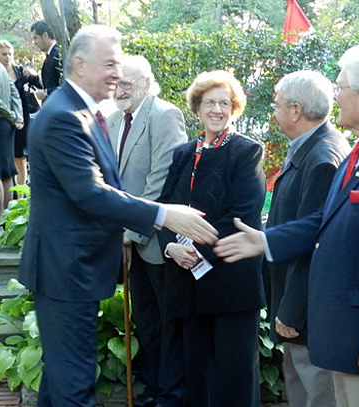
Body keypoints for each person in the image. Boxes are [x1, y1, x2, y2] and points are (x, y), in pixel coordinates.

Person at [215, 42, 359, 407]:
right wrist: (267, 241)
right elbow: (327, 221)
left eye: (340, 87)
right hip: (353, 348)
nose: (334, 95)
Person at [18, 25, 218, 407]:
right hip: (66, 273)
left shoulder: (85, 112)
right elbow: (89, 192)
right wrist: (163, 214)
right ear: (78, 63)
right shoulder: (64, 116)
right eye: (109, 63)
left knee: (60, 384)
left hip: (75, 271)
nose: (116, 73)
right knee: (74, 388)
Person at [158, 70, 266, 407]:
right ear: (197, 108)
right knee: (196, 377)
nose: (217, 109)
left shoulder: (247, 151)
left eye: (224, 103)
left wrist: (192, 248)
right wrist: (170, 248)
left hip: (231, 281)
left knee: (234, 379)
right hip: (189, 284)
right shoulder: (183, 154)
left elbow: (242, 215)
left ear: (234, 109)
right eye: (210, 102)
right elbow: (163, 210)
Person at [107, 55, 187, 407]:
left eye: (128, 83)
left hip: (157, 240)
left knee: (168, 324)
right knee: (145, 320)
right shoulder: (111, 120)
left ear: (145, 83)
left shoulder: (164, 115)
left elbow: (162, 178)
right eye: (117, 83)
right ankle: (153, 389)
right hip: (126, 240)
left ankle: (171, 395)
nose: (120, 89)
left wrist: (132, 228)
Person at [267, 70, 349, 407]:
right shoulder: (307, 148)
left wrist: (291, 310)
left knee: (318, 397)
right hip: (298, 310)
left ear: (296, 110)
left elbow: (314, 243)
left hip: (307, 316)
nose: (274, 113)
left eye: (277, 105)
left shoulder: (322, 159)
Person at [0, 40, 42, 187]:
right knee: (6, 158)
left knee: (20, 156)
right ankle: (11, 190)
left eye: (10, 53)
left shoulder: (20, 71)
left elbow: (40, 85)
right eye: (4, 54)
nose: (7, 57)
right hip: (3, 118)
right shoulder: (0, 72)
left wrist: (34, 74)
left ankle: (21, 194)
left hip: (21, 116)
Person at [0, 62, 23, 218]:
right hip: (7, 125)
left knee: (2, 173)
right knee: (7, 173)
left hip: (3, 120)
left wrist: (13, 116)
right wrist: (17, 116)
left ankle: (0, 217)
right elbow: (14, 92)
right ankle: (6, 220)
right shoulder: (1, 67)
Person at [30, 20, 62, 101]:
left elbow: (66, 86)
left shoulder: (59, 55)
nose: (35, 43)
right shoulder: (50, 55)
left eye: (35, 38)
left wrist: (46, 93)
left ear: (45, 35)